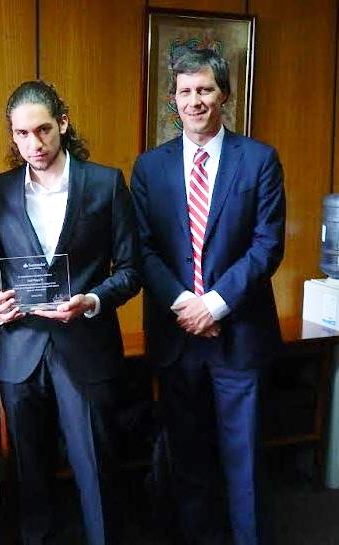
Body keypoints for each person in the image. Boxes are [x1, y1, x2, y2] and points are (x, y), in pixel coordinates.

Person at [130, 49, 285, 545]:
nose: (195, 101)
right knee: (189, 461)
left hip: (238, 336)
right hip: (178, 339)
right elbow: (143, 249)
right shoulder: (149, 168)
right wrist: (185, 305)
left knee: (243, 462)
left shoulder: (259, 160)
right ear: (172, 101)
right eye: (185, 92)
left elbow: (268, 245)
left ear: (224, 96)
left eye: (205, 90)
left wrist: (214, 304)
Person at [0, 80, 140, 545]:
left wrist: (92, 301)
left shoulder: (106, 182)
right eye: (22, 134)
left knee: (96, 469)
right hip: (20, 352)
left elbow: (131, 269)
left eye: (43, 130)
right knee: (29, 477)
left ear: (63, 124)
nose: (34, 144)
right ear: (12, 136)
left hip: (86, 347)